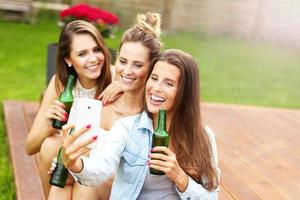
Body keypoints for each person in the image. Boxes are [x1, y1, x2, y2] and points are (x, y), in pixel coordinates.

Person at [61, 49, 221, 199]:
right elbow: (100, 169)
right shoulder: (127, 128)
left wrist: (180, 177)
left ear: (184, 92)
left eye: (169, 83)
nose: (156, 88)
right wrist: (75, 163)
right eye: (154, 78)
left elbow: (211, 196)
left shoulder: (203, 137)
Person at [47, 12, 162, 200]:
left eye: (138, 65)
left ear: (152, 68)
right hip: (86, 178)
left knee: (85, 189)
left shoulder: (150, 116)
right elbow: (77, 154)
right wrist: (68, 165)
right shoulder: (97, 105)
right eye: (123, 62)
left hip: (123, 191)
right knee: (60, 187)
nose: (127, 71)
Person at [24, 19, 113, 196]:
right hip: (70, 159)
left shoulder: (116, 77)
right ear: (68, 60)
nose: (93, 59)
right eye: (82, 54)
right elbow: (29, 147)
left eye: (96, 50)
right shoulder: (60, 84)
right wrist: (48, 126)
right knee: (50, 145)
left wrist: (121, 86)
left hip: (103, 163)